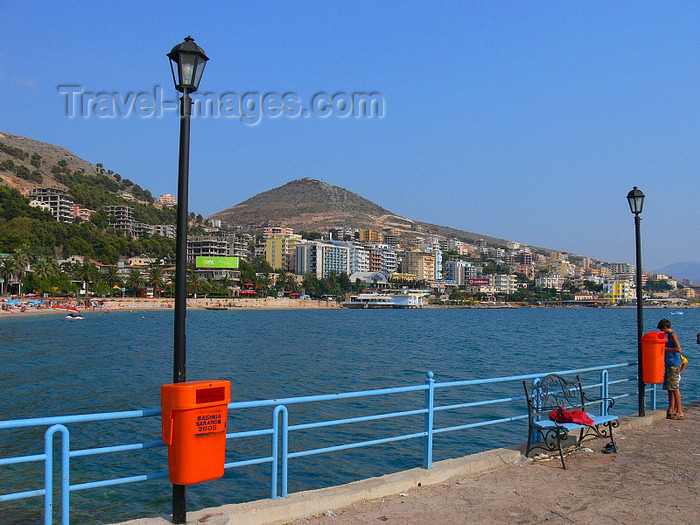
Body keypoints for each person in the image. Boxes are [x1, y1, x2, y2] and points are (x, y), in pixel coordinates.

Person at [658, 318, 683, 420]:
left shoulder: (672, 335)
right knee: (670, 388)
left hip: (674, 364)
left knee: (674, 388)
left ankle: (679, 411)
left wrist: (664, 349)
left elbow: (678, 349)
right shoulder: (668, 336)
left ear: (665, 327)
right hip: (669, 364)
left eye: (661, 330)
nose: (661, 332)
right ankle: (671, 409)